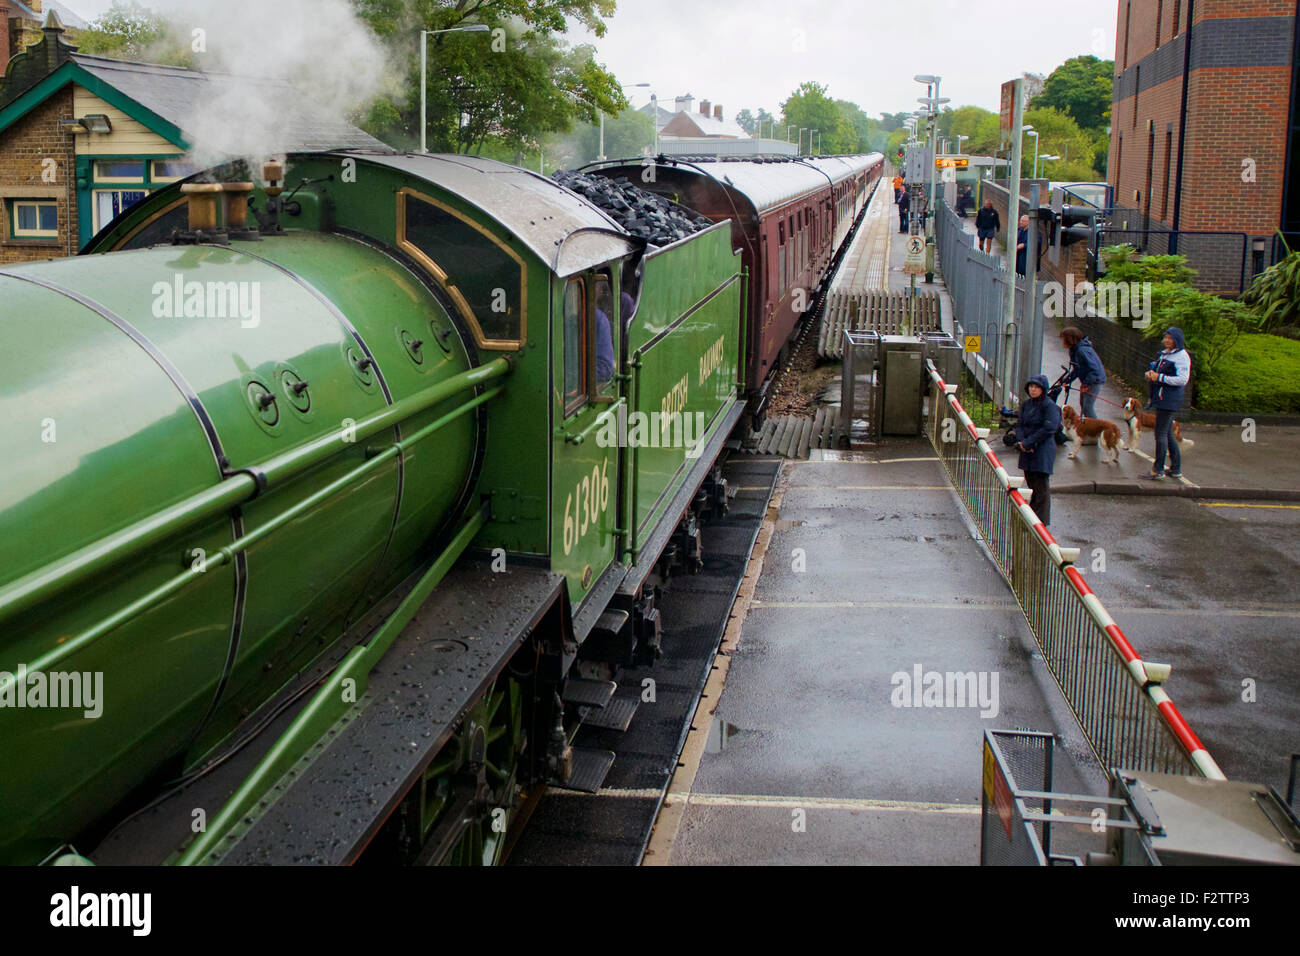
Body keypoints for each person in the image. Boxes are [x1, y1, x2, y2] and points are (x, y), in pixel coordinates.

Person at [1141, 327, 1191, 480]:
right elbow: (1158, 372)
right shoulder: (1167, 354)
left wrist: (1159, 378)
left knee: (1160, 434)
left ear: (1177, 340)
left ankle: (1158, 470)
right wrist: (1151, 374)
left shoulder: (1181, 356)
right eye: (1166, 337)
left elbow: (1183, 380)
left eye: (1170, 338)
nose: (1167, 340)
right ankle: (1175, 469)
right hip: (1162, 397)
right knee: (1168, 433)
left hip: (1168, 399)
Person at [1015, 374, 1061, 525]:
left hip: (1042, 450)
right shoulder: (1027, 404)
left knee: (1041, 487)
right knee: (1032, 483)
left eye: (1036, 387)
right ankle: (1033, 517)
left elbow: (1049, 428)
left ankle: (1040, 521)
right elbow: (1020, 424)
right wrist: (1022, 441)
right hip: (1027, 449)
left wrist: (1029, 443)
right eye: (1031, 387)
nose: (1033, 390)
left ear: (1043, 389)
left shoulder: (1049, 406)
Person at [1059, 326, 1106, 419]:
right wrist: (1066, 380)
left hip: (1094, 380)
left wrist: (1087, 384)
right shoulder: (1074, 350)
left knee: (1087, 407)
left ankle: (1095, 430)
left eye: (1063, 339)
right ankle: (1086, 427)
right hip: (1089, 380)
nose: (1062, 341)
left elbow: (1094, 369)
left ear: (1069, 339)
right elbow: (1077, 369)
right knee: (1083, 405)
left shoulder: (1082, 351)